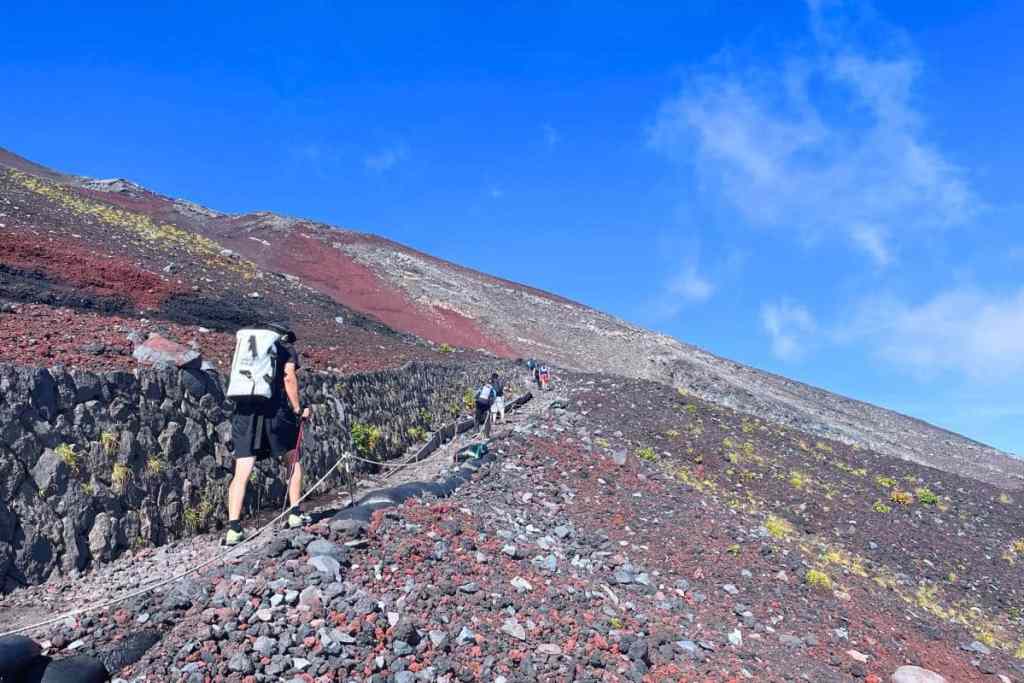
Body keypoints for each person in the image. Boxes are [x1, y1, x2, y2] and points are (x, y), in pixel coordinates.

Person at [225, 323, 311, 546]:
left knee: (242, 468)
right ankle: (294, 513)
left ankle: (233, 528)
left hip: (244, 411)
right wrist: (297, 408)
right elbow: (288, 377)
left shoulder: (247, 350)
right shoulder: (284, 348)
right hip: (275, 411)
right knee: (292, 458)